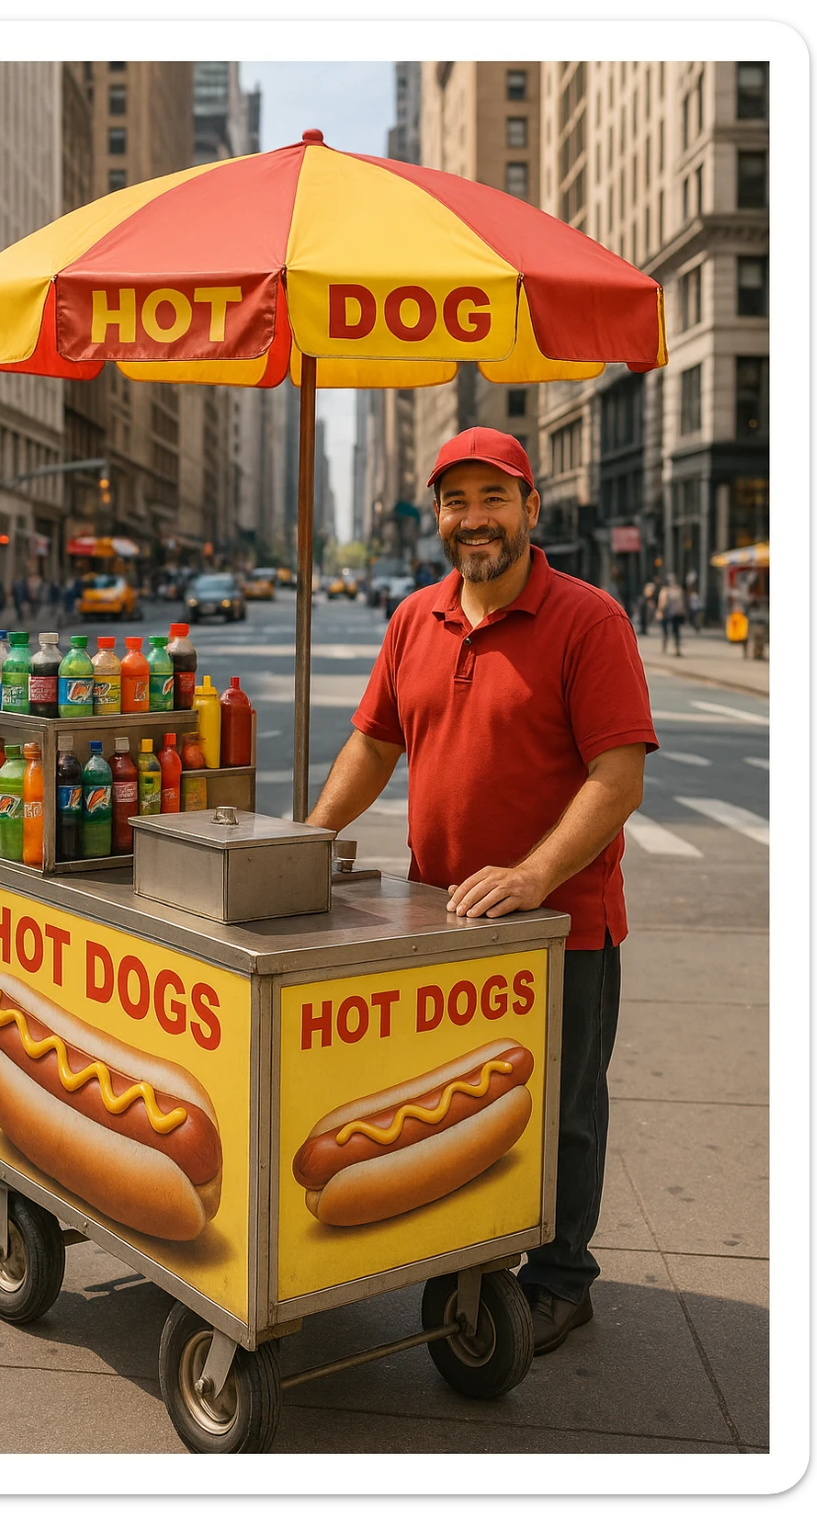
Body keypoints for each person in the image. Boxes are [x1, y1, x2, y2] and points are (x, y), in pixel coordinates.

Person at [307, 427, 658, 1357]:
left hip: (562, 926)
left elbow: (618, 779)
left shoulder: (590, 621)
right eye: (457, 502)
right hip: (441, 925)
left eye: (494, 500)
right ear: (438, 518)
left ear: (531, 509)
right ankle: (465, 1249)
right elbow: (376, 745)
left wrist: (535, 874)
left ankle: (559, 1280)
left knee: (563, 1112)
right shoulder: (414, 618)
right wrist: (307, 841)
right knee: (452, 1105)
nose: (475, 521)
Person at [656, 576, 687, 656]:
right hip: (676, 614)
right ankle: (677, 648)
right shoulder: (679, 590)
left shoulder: (664, 591)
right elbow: (683, 603)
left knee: (665, 631)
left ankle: (664, 647)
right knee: (676, 631)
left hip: (666, 613)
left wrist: (659, 612)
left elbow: (662, 602)